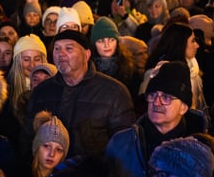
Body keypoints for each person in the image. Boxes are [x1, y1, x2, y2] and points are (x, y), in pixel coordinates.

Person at [105, 61, 206, 177]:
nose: (156, 103)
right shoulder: (122, 143)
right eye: (152, 95)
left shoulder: (201, 148)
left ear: (184, 107)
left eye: (166, 97)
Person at [22, 30, 135, 159]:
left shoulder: (114, 92)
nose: (61, 54)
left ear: (86, 55)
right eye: (57, 49)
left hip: (92, 175)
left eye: (69, 49)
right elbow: (28, 138)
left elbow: (125, 147)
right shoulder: (42, 91)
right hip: (48, 175)